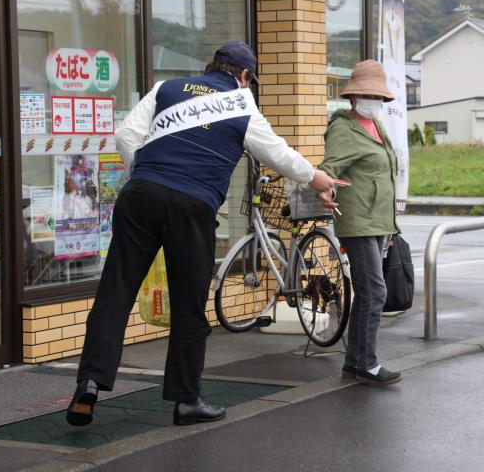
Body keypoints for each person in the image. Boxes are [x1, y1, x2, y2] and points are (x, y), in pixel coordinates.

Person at [66, 41, 335, 427]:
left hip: (140, 196)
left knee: (115, 292)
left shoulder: (167, 89)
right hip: (192, 206)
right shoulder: (242, 104)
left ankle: (90, 382)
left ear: (211, 67)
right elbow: (278, 153)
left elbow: (126, 135)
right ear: (244, 77)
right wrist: (317, 177)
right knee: (189, 306)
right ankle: (185, 400)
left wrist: (147, 173)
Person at [317, 60, 402, 387]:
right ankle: (366, 362)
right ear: (354, 96)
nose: (373, 100)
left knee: (369, 291)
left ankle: (355, 362)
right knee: (374, 291)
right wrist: (324, 188)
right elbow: (330, 167)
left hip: (377, 219)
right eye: (367, 94)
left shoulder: (376, 125)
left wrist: (391, 225)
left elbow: (384, 172)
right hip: (357, 219)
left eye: (377, 95)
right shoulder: (343, 127)